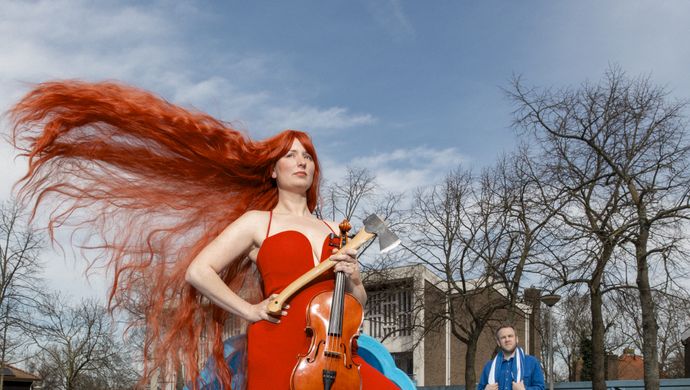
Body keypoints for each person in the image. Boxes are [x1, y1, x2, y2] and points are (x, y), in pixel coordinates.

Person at [8, 81, 399, 389]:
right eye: (290, 155)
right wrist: (250, 311)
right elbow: (199, 271)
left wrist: (357, 281)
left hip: (334, 352)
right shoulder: (256, 222)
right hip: (276, 341)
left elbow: (352, 303)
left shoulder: (338, 230)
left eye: (308, 155)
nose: (301, 162)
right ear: (272, 170)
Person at [478, 324, 545, 390]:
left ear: (517, 339)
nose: (507, 339)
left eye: (510, 336)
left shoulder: (532, 362)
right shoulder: (489, 366)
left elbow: (541, 388)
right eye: (503, 337)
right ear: (498, 343)